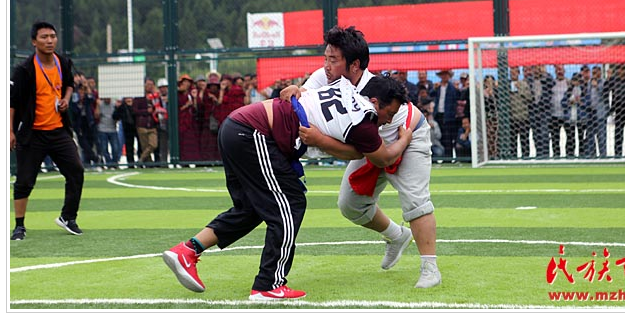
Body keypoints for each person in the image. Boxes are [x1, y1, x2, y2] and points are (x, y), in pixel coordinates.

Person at [162, 75, 413, 300]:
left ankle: (188, 250)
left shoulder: (343, 88)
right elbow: (382, 158)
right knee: (291, 203)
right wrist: (405, 139)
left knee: (251, 209)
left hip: (238, 127)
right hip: (254, 133)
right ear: (374, 102)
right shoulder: (365, 119)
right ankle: (268, 285)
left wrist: (316, 129)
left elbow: (348, 146)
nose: (388, 121)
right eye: (389, 113)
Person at [282, 25, 441, 288]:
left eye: (334, 60)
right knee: (350, 204)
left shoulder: (371, 91)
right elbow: (304, 99)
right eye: (326, 58)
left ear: (354, 65)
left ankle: (430, 268)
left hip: (407, 137)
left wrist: (320, 140)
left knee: (415, 201)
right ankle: (396, 236)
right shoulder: (323, 76)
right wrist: (294, 89)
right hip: (371, 146)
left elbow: (365, 152)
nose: (327, 66)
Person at [10, 21, 85, 239]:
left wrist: (66, 99)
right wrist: (10, 131)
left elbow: (69, 84)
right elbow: (11, 102)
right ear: (34, 42)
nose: (50, 40)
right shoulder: (24, 70)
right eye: (44, 37)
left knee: (76, 171)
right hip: (32, 133)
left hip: (59, 131)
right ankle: (19, 226)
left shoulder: (63, 62)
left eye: (53, 36)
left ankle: (68, 217)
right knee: (24, 181)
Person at [132, 78, 162, 167]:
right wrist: (146, 111)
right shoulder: (139, 97)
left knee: (153, 144)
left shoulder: (156, 97)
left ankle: (141, 159)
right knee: (145, 146)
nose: (150, 86)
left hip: (152, 125)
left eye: (151, 85)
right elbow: (134, 110)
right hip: (142, 124)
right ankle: (149, 163)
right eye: (148, 84)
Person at [430, 69, 458, 158]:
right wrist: (434, 88)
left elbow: (457, 97)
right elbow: (430, 94)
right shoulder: (437, 86)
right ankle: (442, 157)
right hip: (438, 115)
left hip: (448, 116)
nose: (444, 76)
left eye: (446, 74)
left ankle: (449, 158)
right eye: (443, 74)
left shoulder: (452, 87)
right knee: (440, 137)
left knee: (448, 138)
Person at [508, 67, 531, 157]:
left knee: (524, 141)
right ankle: (513, 158)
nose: (513, 74)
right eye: (511, 73)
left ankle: (526, 158)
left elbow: (529, 98)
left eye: (514, 72)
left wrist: (520, 89)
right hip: (512, 118)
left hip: (523, 117)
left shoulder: (524, 84)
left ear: (518, 73)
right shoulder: (507, 84)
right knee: (512, 142)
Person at [176, 74, 199, 165]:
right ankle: (183, 161)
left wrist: (194, 98)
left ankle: (192, 161)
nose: (187, 84)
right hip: (181, 122)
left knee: (191, 143)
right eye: (185, 82)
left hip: (190, 123)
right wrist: (187, 105)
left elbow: (195, 109)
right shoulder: (177, 95)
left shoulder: (191, 94)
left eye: (188, 82)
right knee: (182, 143)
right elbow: (177, 110)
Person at [97, 97, 121, 169]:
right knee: (104, 149)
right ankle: (109, 163)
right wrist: (97, 105)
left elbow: (117, 117)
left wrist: (118, 108)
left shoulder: (114, 104)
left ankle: (114, 163)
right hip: (102, 129)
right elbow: (96, 115)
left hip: (113, 129)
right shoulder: (100, 104)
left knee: (116, 148)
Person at [113, 97, 137, 168]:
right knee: (128, 145)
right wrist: (118, 107)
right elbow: (115, 116)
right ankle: (130, 163)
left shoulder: (135, 104)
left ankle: (141, 161)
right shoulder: (122, 107)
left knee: (139, 145)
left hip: (137, 126)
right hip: (127, 128)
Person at [154, 78, 170, 165]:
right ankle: (163, 162)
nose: (163, 89)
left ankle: (175, 160)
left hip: (171, 124)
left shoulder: (172, 97)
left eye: (164, 87)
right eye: (161, 88)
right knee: (163, 145)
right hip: (161, 124)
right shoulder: (156, 98)